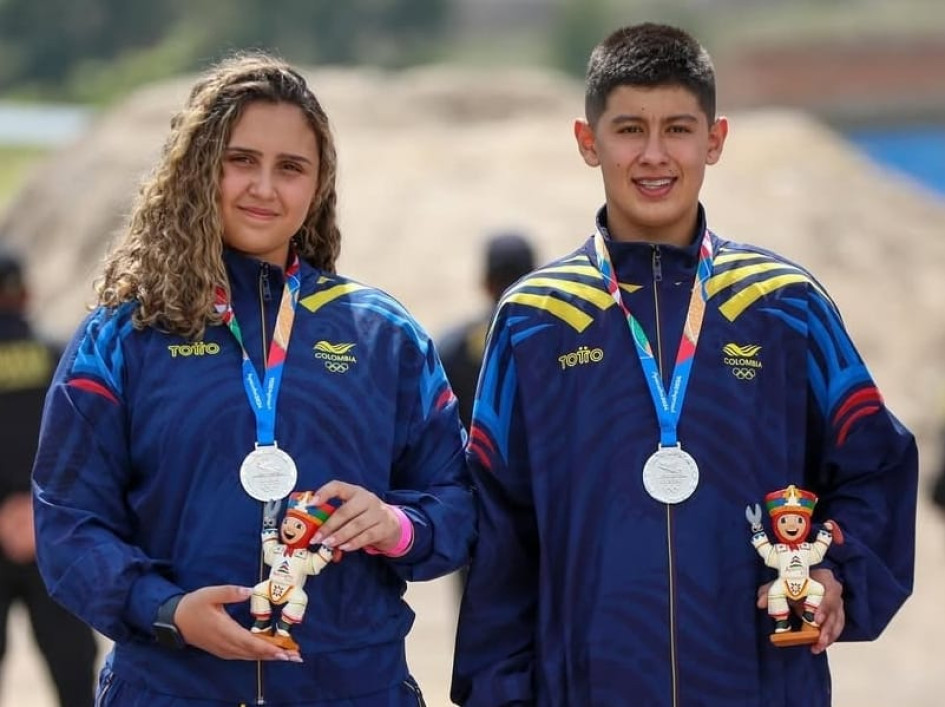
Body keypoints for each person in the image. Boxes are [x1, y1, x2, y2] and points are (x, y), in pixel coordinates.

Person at [451, 22, 917, 707]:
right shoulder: (535, 318)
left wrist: (835, 572)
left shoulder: (784, 305)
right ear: (588, 142)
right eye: (628, 128)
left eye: (676, 128)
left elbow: (873, 466)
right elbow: (499, 531)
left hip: (759, 684)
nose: (652, 154)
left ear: (714, 139)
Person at [31, 51, 475, 707]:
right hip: (169, 686)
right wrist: (167, 609)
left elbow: (459, 502)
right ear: (198, 168)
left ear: (317, 185)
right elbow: (68, 522)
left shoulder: (382, 334)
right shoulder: (124, 336)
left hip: (353, 688)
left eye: (290, 167)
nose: (264, 187)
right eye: (241, 160)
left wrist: (395, 524)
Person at [0, 247, 98, 707]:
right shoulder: (61, 356)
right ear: (26, 294)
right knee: (74, 676)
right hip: (53, 536)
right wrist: (34, 507)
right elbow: (90, 444)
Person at [438, 232, 536, 431]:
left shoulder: (454, 348)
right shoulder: (557, 342)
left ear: (486, 283)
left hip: (471, 459)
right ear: (536, 279)